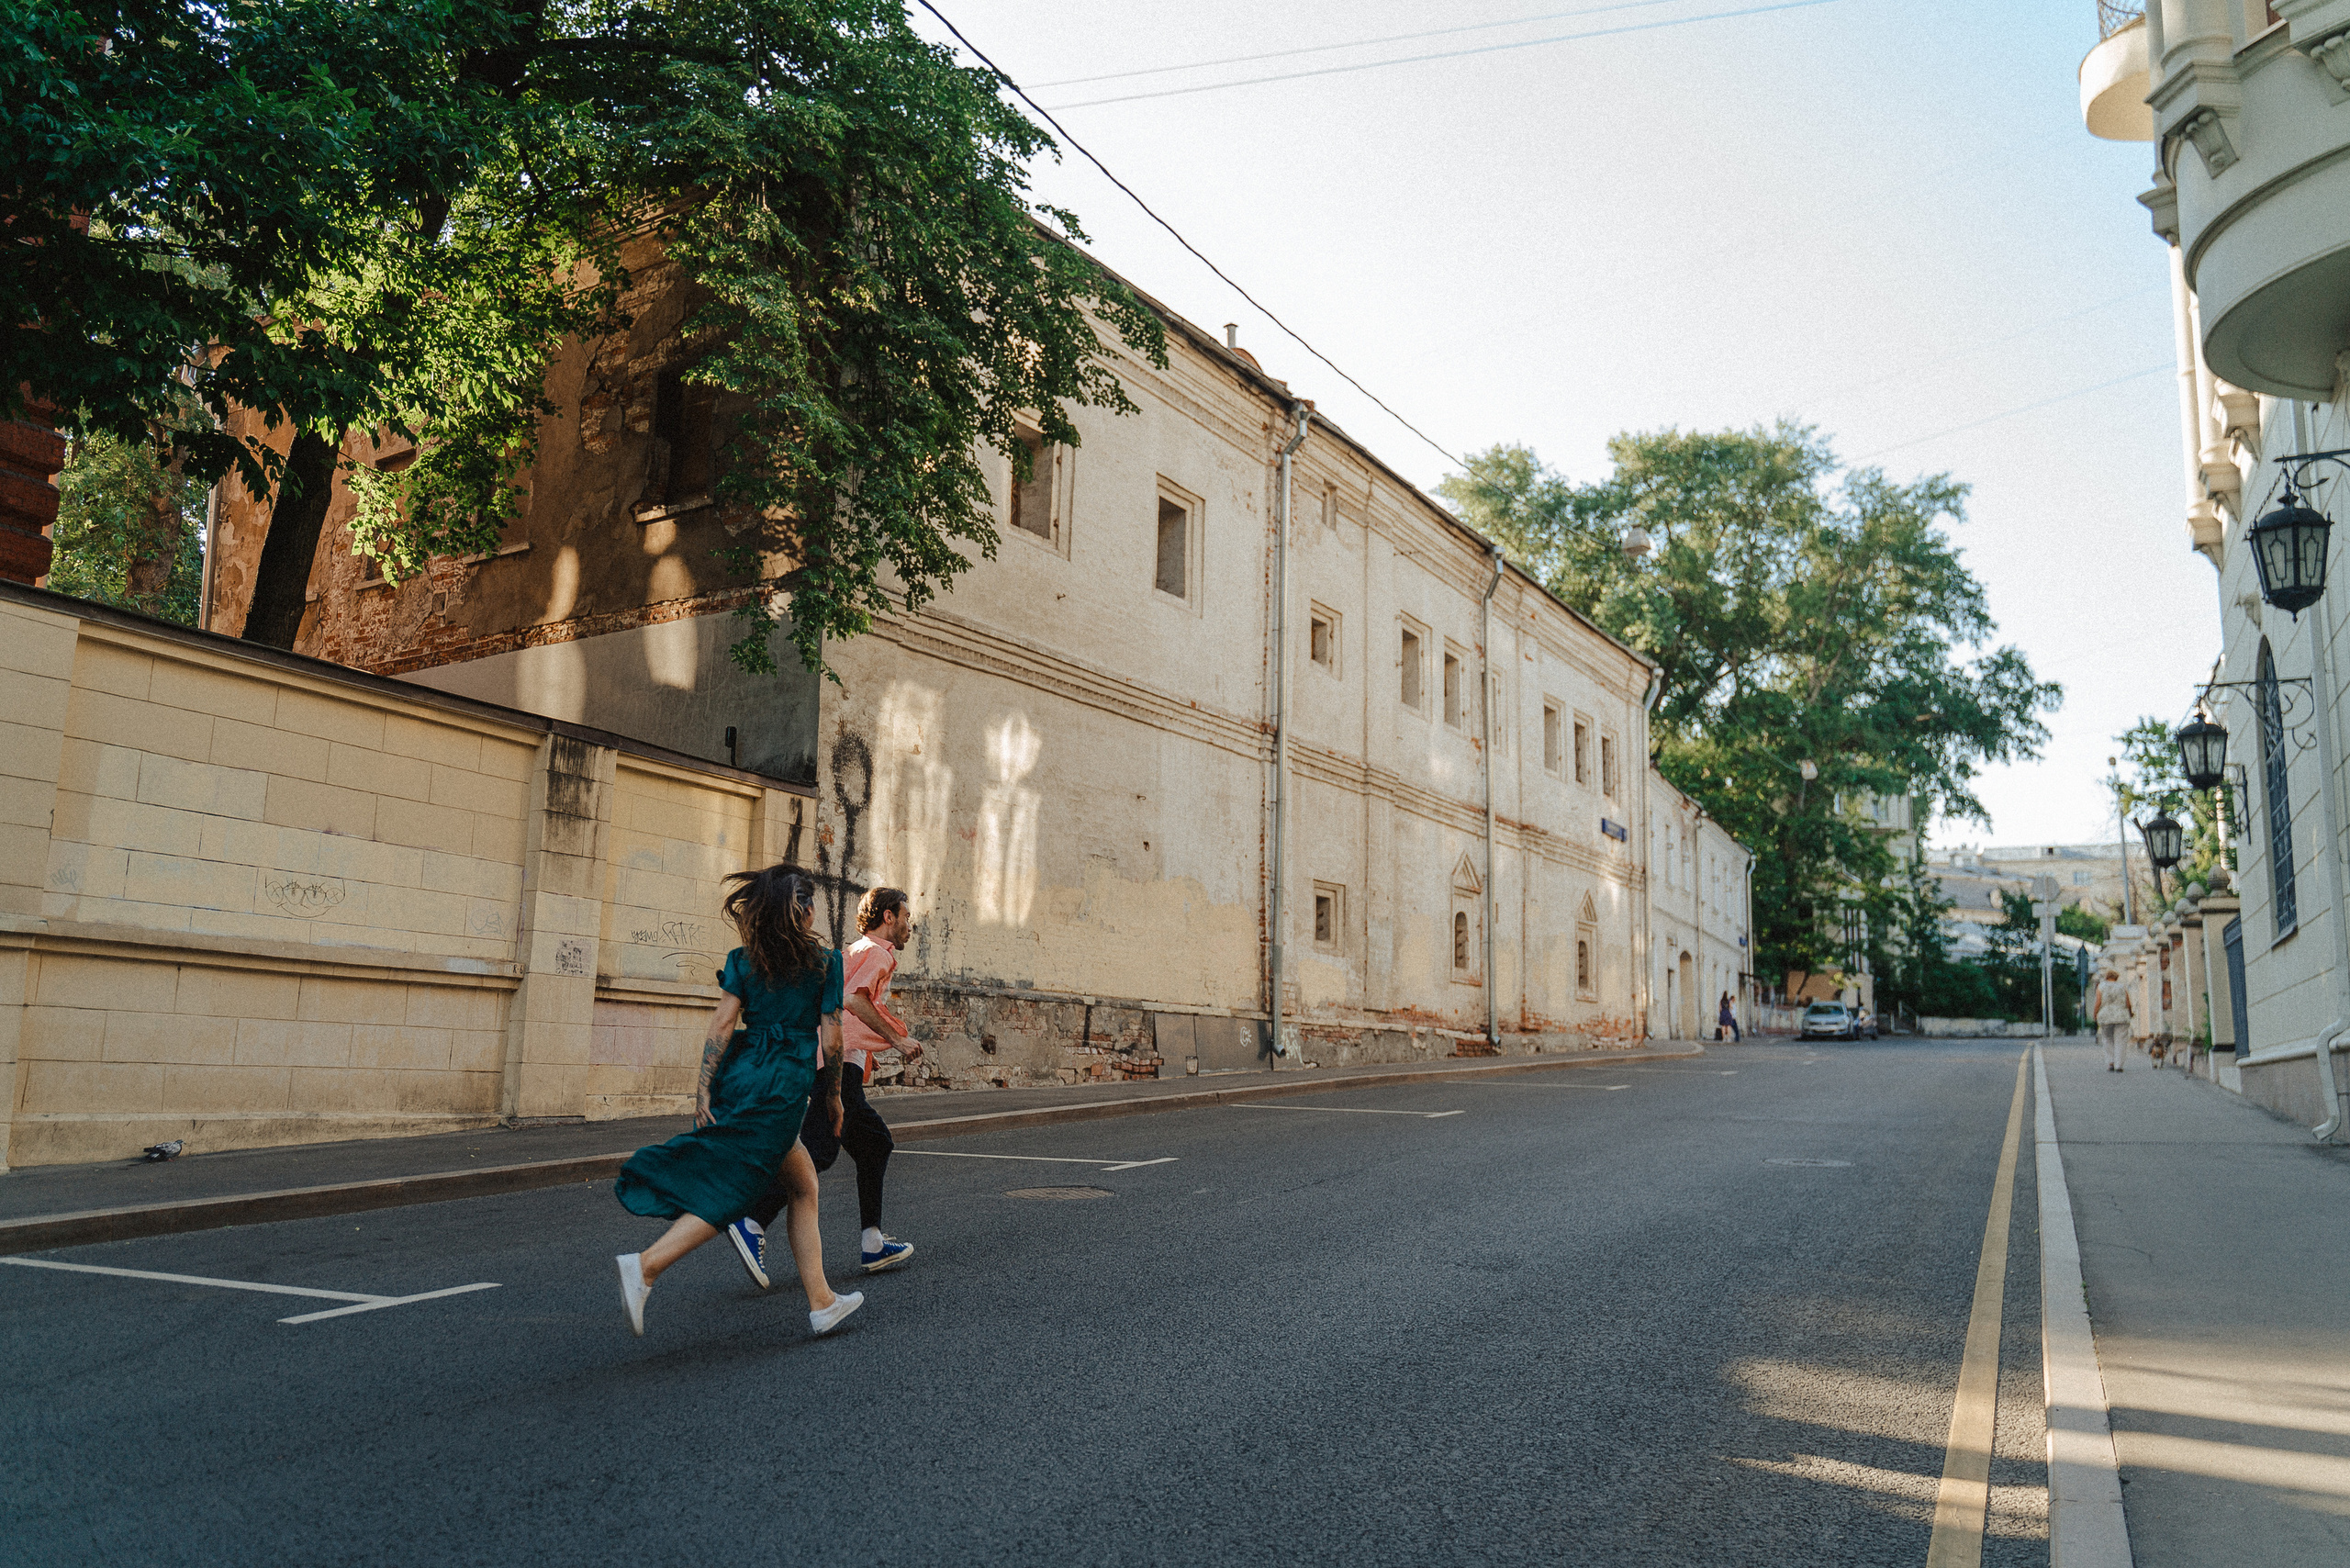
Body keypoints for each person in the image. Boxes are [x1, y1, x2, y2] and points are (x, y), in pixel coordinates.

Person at [611, 867, 863, 1338]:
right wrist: (834, 1098)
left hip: (742, 1074)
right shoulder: (825, 963)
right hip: (785, 1083)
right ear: (804, 911)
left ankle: (823, 1302)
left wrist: (703, 1088)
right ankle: (646, 1266)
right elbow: (831, 1039)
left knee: (803, 1184)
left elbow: (721, 1027)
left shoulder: (745, 960)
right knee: (734, 1190)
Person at [727, 886, 922, 1284]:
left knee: (872, 1143)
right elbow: (853, 1000)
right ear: (888, 917)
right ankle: (752, 1220)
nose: (909, 925)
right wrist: (899, 1040)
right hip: (835, 1065)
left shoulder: (853, 951)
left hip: (829, 1062)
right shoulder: (876, 953)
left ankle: (872, 1242)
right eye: (905, 916)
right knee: (819, 1149)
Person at [2094, 966, 2133, 1072]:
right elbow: (2128, 1003)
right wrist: (2130, 1013)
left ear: (2106, 977)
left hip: (2105, 1016)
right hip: (2121, 1016)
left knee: (2107, 1039)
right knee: (2121, 1041)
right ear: (2116, 977)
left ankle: (2111, 1062)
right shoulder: (2122, 986)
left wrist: (2095, 1014)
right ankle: (2119, 1065)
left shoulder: (2101, 987)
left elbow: (2098, 1002)